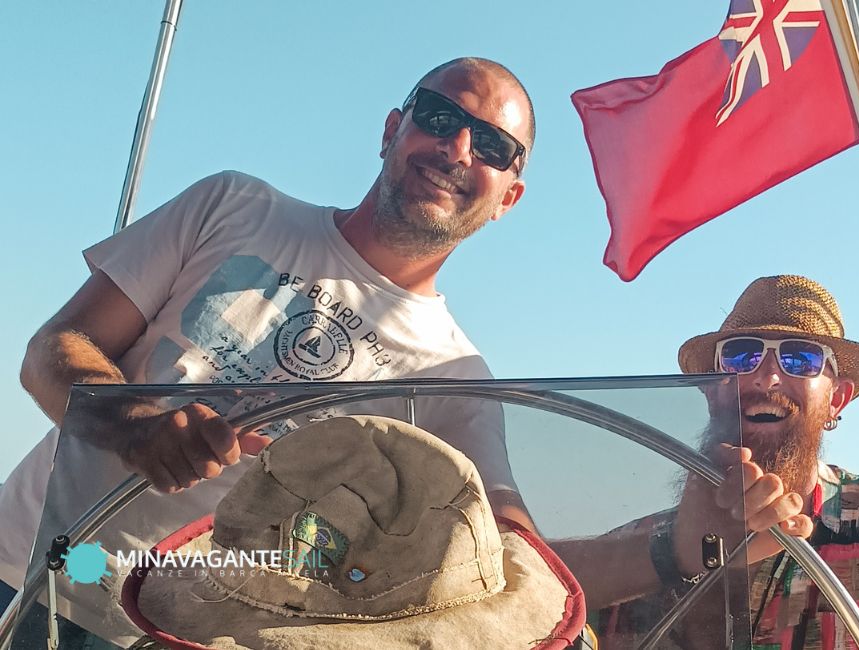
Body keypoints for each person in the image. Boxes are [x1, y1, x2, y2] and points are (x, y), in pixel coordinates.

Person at [1, 56, 536, 646]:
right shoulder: (233, 206)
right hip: (19, 569)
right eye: (439, 116)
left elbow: (510, 548)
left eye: (491, 144)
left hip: (176, 636)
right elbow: (52, 351)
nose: (457, 148)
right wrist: (137, 427)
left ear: (508, 198)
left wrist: (655, 552)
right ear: (391, 130)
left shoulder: (456, 381)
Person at [597, 275, 859, 648]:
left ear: (836, 400)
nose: (766, 377)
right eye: (740, 356)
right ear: (711, 391)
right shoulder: (636, 548)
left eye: (800, 359)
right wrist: (674, 555)